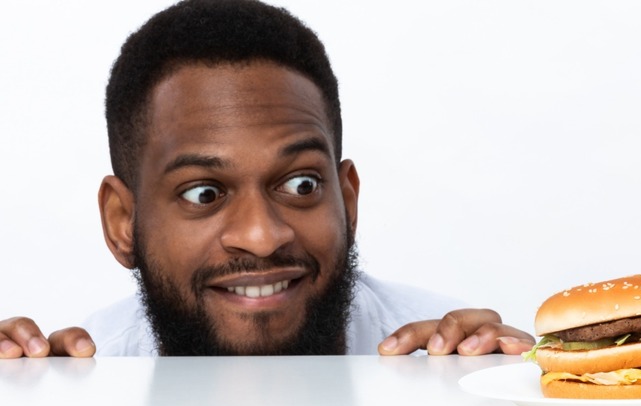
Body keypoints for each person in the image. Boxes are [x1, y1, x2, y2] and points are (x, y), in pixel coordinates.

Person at [0, 0, 534, 358]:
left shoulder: (449, 367)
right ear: (122, 223)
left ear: (347, 201)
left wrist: (526, 402)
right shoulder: (83, 377)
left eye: (301, 185)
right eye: (203, 194)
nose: (261, 235)